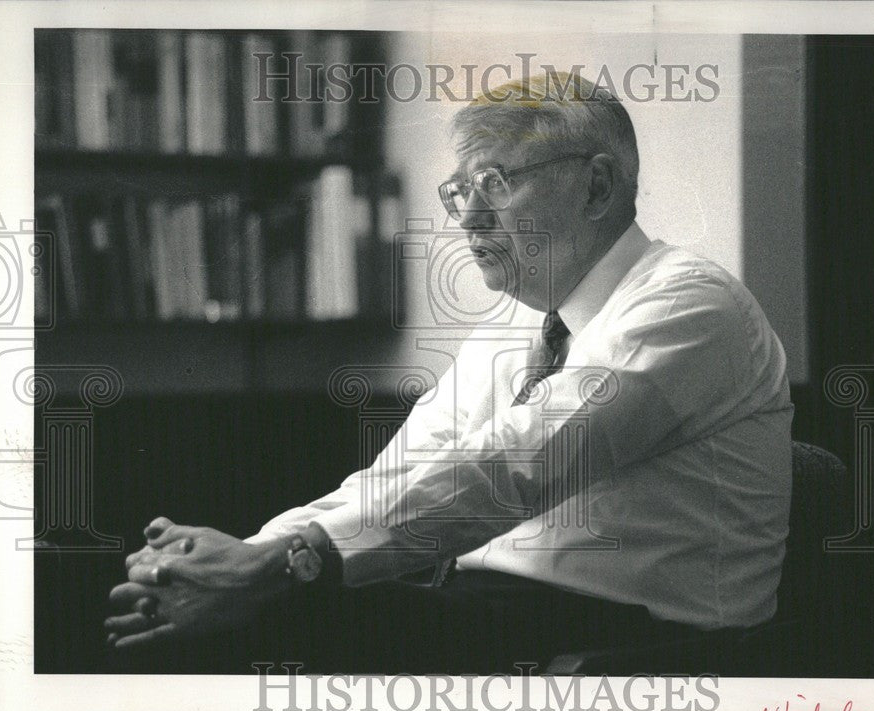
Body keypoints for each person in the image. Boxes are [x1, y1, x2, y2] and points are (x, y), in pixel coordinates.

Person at [105, 72, 794, 674]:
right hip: (494, 614)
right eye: (459, 189)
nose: (468, 216)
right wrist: (248, 556)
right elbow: (403, 472)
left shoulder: (686, 303)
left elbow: (516, 464)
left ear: (598, 185)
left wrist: (278, 565)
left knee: (254, 624)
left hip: (637, 644)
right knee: (202, 606)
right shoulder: (514, 325)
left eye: (496, 182)